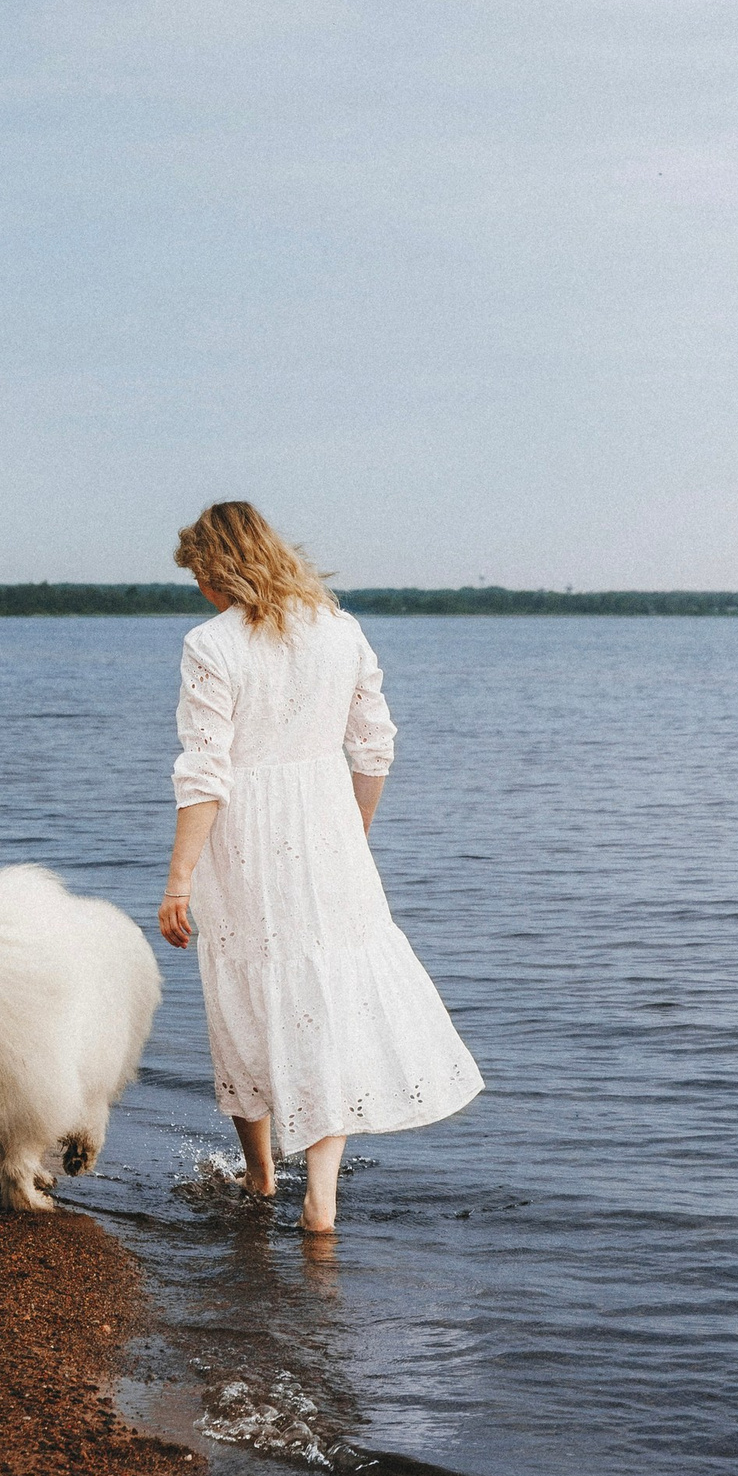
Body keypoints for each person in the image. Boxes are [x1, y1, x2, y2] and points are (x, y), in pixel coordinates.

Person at [157, 499, 482, 1238]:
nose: (199, 591)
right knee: (324, 1006)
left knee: (245, 997)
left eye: (199, 575)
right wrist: (353, 834)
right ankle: (321, 1199)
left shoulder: (210, 644)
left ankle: (261, 1175)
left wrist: (178, 882)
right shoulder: (341, 630)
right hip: (330, 834)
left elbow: (204, 774)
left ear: (217, 571)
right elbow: (374, 747)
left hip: (245, 843)